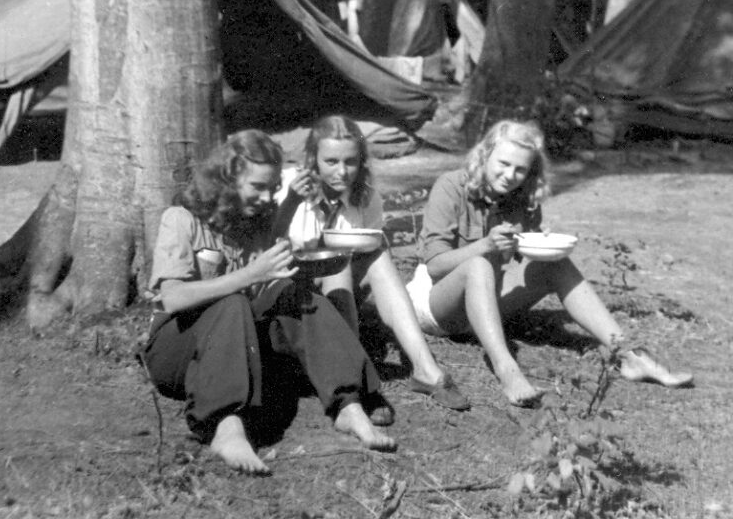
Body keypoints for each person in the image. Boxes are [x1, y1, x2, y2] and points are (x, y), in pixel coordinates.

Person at [142, 130, 396, 476]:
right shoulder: (181, 218)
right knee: (232, 303)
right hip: (177, 351)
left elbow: (273, 241)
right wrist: (249, 275)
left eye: (272, 187)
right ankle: (226, 428)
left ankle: (348, 405)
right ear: (226, 179)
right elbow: (173, 298)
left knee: (294, 295)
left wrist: (291, 202)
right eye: (257, 187)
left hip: (234, 349)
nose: (266, 197)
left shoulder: (254, 220)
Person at [406, 119, 694, 407]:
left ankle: (628, 354)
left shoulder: (522, 197)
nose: (510, 175)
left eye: (520, 169)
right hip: (437, 306)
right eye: (503, 164)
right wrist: (485, 245)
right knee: (478, 265)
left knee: (556, 263)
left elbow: (517, 260)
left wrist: (538, 244)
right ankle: (506, 369)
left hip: (483, 307)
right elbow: (435, 266)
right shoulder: (451, 186)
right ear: (485, 155)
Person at [274, 115, 470, 412]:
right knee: (339, 262)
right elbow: (266, 244)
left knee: (375, 256)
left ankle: (425, 369)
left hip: (338, 284)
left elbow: (365, 247)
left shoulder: (366, 198)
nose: (342, 172)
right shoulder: (286, 184)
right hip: (290, 286)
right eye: (331, 161)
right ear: (313, 159)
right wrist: (291, 201)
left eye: (350, 162)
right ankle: (356, 377)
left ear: (361, 161)